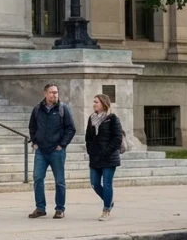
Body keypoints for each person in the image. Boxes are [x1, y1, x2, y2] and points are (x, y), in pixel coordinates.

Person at [28, 83, 75, 219]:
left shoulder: (63, 109)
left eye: (56, 92)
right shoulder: (37, 109)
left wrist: (62, 144)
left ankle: (60, 209)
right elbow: (32, 126)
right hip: (41, 151)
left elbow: (70, 128)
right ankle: (40, 208)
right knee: (37, 178)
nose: (54, 95)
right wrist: (35, 141)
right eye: (51, 92)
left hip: (57, 151)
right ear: (45, 94)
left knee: (59, 181)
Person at [85, 94, 124, 221]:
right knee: (95, 183)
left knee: (107, 184)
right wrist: (90, 150)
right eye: (93, 101)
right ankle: (109, 200)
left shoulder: (112, 118)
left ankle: (106, 209)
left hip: (109, 157)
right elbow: (88, 137)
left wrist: (107, 152)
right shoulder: (91, 118)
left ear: (103, 103)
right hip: (95, 157)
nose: (94, 104)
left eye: (96, 102)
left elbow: (117, 138)